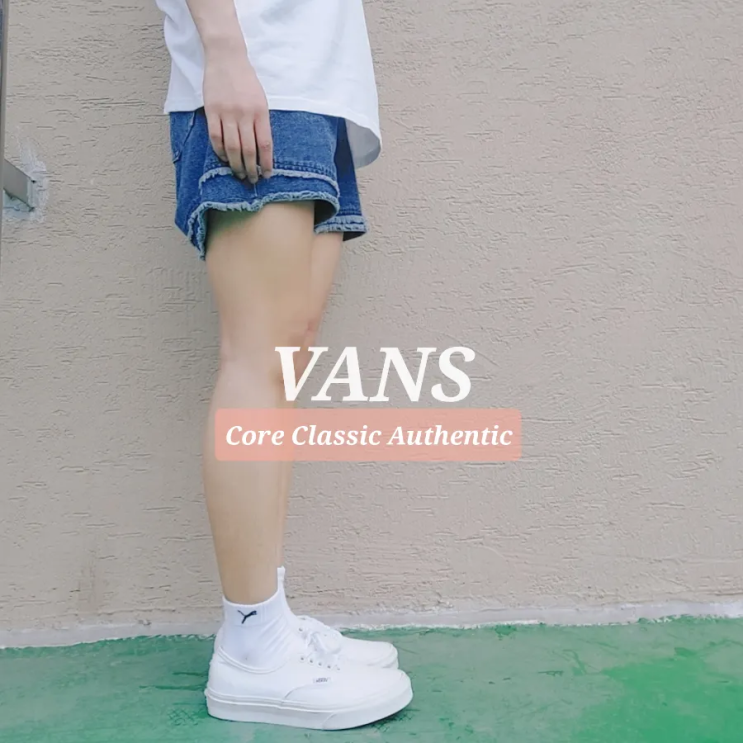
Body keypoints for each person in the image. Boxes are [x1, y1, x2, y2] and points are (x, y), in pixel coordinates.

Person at [155, 0, 413, 731]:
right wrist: (225, 53)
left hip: (315, 90)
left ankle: (268, 620)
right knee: (258, 354)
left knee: (283, 358)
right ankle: (251, 646)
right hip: (261, 72)